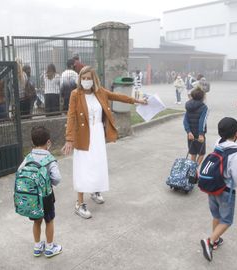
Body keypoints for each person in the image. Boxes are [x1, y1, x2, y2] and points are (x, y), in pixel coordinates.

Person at [61, 66, 147, 219]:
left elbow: (118, 96)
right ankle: (79, 203)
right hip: (83, 135)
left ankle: (94, 190)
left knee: (97, 164)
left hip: (97, 134)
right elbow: (71, 116)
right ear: (80, 79)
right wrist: (69, 139)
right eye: (83, 78)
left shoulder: (100, 92)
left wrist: (137, 101)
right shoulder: (76, 94)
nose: (86, 81)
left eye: (89, 78)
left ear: (94, 79)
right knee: (83, 167)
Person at [200, 117, 237, 262]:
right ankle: (209, 241)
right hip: (226, 192)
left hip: (212, 188)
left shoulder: (218, 144)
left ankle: (215, 240)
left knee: (217, 216)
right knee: (226, 220)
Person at [18, 126, 63, 258]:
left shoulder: (28, 157)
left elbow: (20, 171)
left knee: (36, 221)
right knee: (49, 221)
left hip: (33, 197)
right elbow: (57, 179)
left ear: (32, 142)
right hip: (46, 196)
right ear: (48, 142)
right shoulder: (50, 159)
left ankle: (37, 246)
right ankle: (49, 247)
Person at [183, 88, 208, 165]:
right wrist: (201, 134)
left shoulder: (188, 106)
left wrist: (188, 132)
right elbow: (202, 121)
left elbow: (185, 120)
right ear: (202, 97)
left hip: (190, 134)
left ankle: (191, 169)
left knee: (193, 153)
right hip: (199, 133)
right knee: (202, 153)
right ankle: (195, 169)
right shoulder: (204, 107)